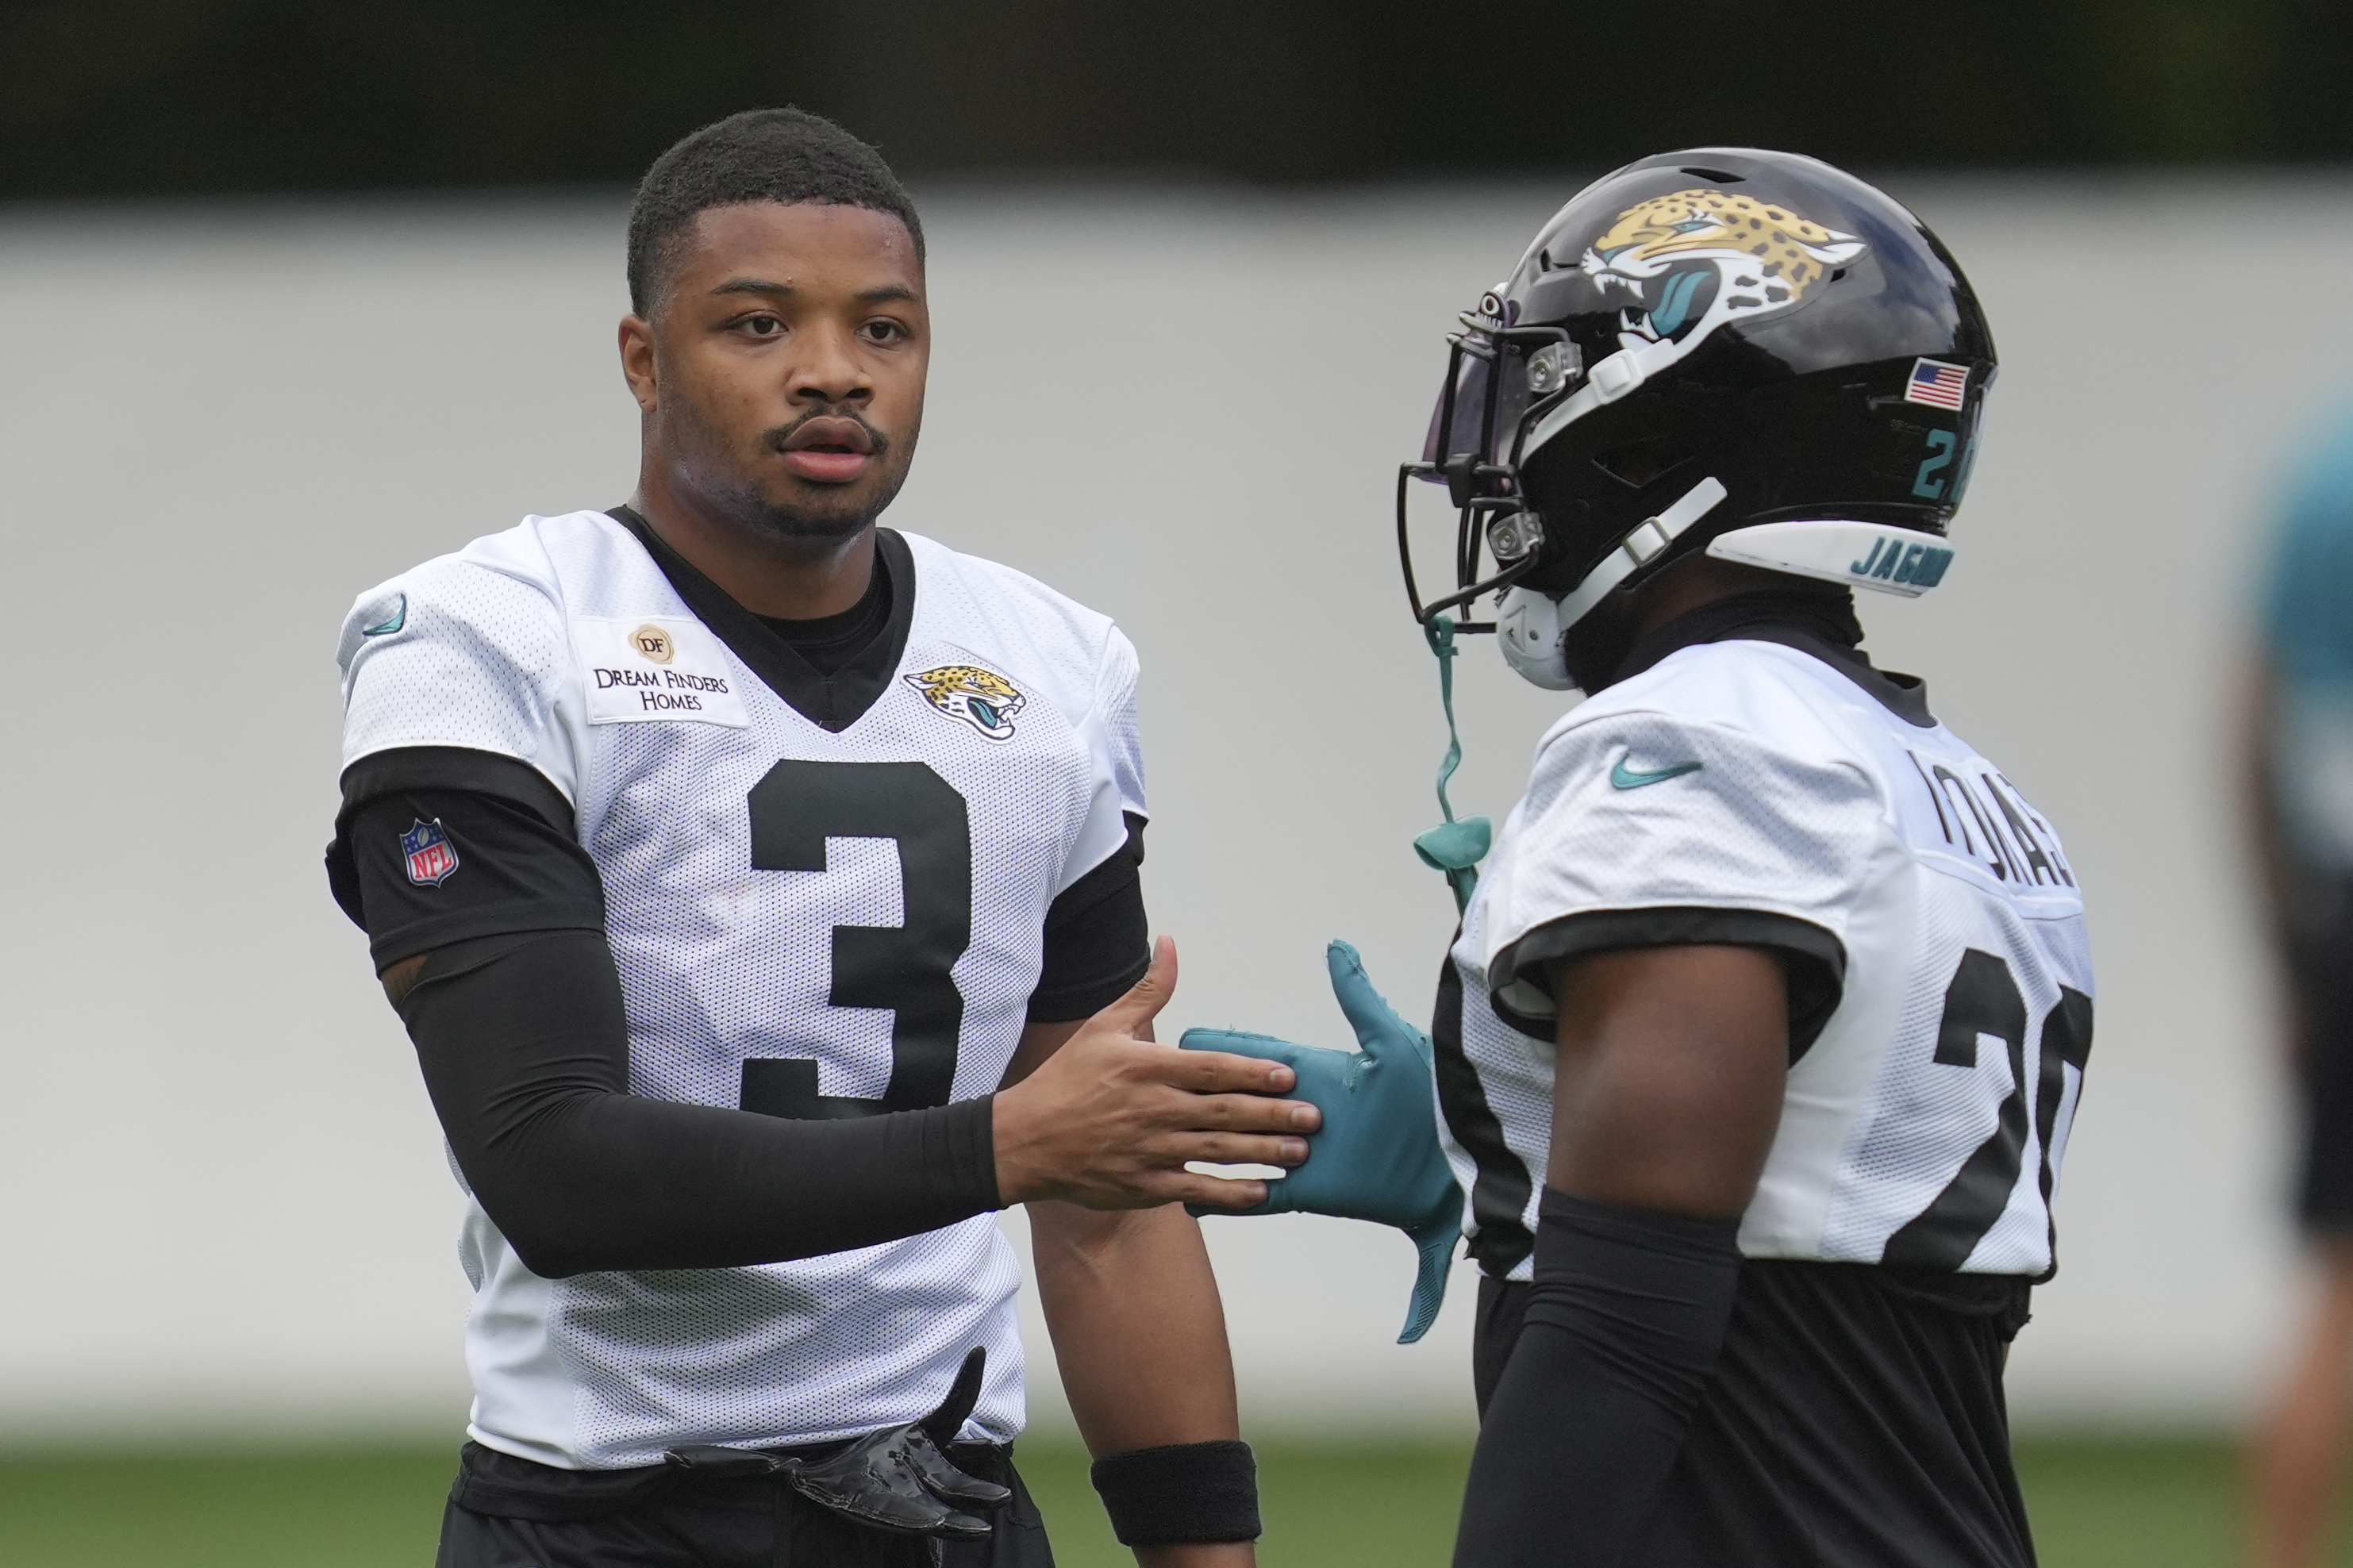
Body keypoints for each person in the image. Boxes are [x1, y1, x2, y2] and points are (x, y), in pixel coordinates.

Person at [323, 107, 1317, 1568]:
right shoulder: (491, 640)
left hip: (949, 1506)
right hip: (611, 1515)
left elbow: (1105, 1201)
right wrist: (1008, 1145)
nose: (833, 369)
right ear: (643, 360)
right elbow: (550, 1169)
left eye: (885, 327)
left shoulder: (1049, 663)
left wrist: (1205, 1554)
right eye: (757, 322)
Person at [1196, 148, 2094, 1568]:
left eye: (1540, 392)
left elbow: (1628, 1324)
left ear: (1658, 434)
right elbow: (1824, 1191)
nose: (1501, 455)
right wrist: (1482, 1149)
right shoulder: (1956, 788)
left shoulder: (1703, 744)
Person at [2247, 403, 2353, 1568]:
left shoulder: (2325, 472)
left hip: (2341, 912)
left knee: (2336, 1283)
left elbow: (2252, 718)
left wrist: (2286, 953)